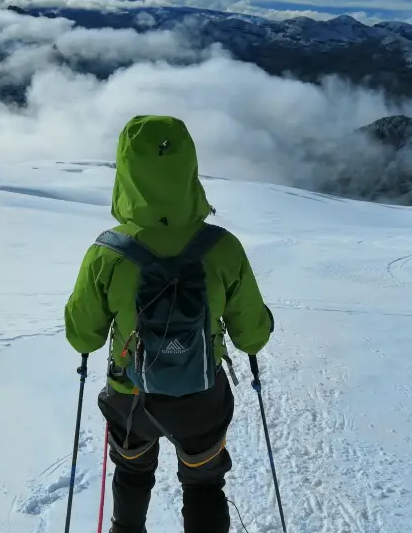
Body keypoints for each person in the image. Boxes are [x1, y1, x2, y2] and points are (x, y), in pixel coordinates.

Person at [64, 114, 274, 533]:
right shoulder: (222, 248)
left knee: (132, 472)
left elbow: (81, 334)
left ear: (125, 171)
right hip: (200, 394)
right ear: (189, 170)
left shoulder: (107, 253)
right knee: (204, 482)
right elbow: (252, 334)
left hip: (130, 396)